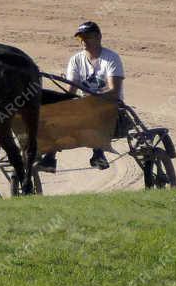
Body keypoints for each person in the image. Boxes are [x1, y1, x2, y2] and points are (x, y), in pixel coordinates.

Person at [37, 21, 124, 173]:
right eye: (80, 38)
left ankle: (99, 154)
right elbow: (70, 93)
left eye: (87, 37)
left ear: (98, 37)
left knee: (93, 109)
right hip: (84, 106)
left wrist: (91, 100)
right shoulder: (76, 60)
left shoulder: (111, 58)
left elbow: (114, 91)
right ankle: (50, 158)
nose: (83, 41)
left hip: (110, 106)